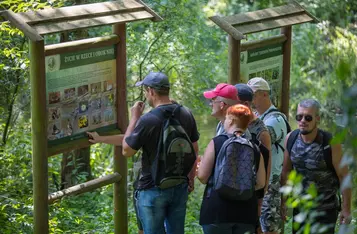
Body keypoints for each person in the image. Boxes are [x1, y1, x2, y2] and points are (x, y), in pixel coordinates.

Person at [87, 72, 199, 234]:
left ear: (151, 91)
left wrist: (135, 117)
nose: (146, 95)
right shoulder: (185, 114)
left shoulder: (148, 120)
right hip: (179, 185)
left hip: (152, 188)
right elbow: (194, 149)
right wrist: (101, 139)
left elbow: (127, 150)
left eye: (146, 91)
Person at [280, 99, 351, 233]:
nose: (302, 121)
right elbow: (286, 171)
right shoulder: (291, 138)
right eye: (299, 117)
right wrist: (283, 202)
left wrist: (346, 210)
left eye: (308, 117)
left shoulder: (330, 143)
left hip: (326, 210)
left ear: (317, 119)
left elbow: (344, 176)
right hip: (300, 209)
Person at [197, 104, 266, 234]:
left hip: (217, 212)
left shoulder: (217, 142)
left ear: (232, 120)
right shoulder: (255, 147)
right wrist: (241, 187)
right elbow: (261, 183)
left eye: (227, 118)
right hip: (246, 214)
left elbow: (203, 176)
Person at [247, 77, 289, 234]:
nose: (250, 100)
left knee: (269, 228)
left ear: (265, 94)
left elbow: (263, 136)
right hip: (259, 183)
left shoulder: (276, 119)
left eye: (253, 95)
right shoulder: (260, 117)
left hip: (271, 184)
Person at [235, 84, 272, 234]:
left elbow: (266, 165)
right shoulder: (228, 122)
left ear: (245, 105)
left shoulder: (261, 132)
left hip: (250, 193)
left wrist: (259, 202)